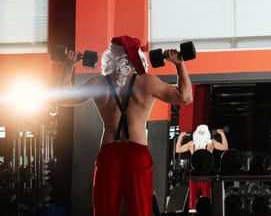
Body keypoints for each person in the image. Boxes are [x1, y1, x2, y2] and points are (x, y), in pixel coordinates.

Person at [55, 35, 193, 216]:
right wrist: (178, 64)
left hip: (109, 153)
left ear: (110, 56)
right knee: (140, 211)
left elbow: (61, 99)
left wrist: (68, 65)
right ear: (136, 56)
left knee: (104, 211)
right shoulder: (147, 82)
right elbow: (186, 97)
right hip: (137, 153)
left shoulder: (98, 83)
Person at [175, 124, 228, 212]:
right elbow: (178, 150)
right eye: (199, 131)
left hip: (207, 172)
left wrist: (222, 134)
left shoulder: (211, 143)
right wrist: (180, 137)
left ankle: (207, 210)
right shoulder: (192, 144)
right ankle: (193, 211)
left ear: (207, 133)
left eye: (203, 131)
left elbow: (225, 147)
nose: (201, 133)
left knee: (206, 194)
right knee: (193, 196)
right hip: (195, 172)